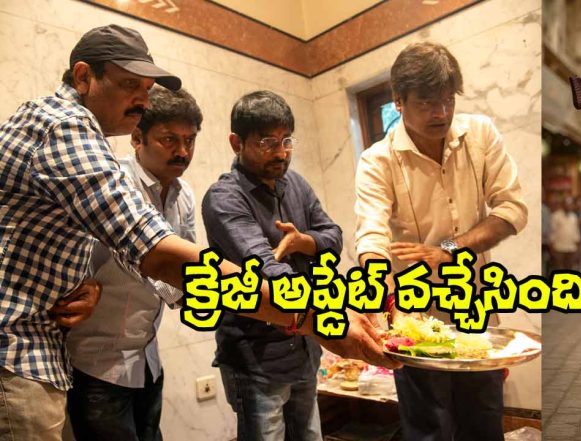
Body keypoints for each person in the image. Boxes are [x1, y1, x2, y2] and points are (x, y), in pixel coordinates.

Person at [0, 24, 396, 440]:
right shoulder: (63, 126)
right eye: (129, 84)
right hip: (23, 349)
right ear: (83, 77)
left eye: (147, 88)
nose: (141, 99)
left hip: (78, 353)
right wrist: (320, 318)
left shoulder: (222, 188)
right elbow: (165, 256)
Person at [354, 42, 527, 441]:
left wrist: (448, 250)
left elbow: (512, 211)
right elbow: (372, 232)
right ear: (398, 101)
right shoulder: (377, 160)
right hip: (415, 318)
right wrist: (378, 280)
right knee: (428, 428)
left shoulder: (479, 134)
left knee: (483, 421)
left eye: (448, 100)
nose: (442, 113)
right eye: (428, 103)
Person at [202, 91, 342, 441]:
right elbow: (266, 268)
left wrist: (303, 241)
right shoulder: (224, 197)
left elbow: (334, 236)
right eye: (267, 143)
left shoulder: (295, 184)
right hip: (256, 358)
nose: (280, 153)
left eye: (286, 141)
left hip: (305, 349)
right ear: (237, 142)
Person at [65, 86, 202, 441]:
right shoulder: (115, 182)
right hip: (97, 362)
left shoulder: (183, 194)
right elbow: (145, 261)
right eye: (169, 139)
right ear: (137, 137)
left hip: (146, 359)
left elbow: (184, 262)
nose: (183, 151)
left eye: (190, 140)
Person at [549, 197, 581, 270]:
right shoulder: (555, 216)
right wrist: (552, 247)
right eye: (566, 204)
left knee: (569, 269)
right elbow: (552, 232)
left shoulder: (574, 217)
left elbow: (576, 232)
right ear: (563, 205)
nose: (568, 206)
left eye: (570, 204)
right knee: (559, 270)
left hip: (571, 248)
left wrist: (578, 246)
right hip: (559, 248)